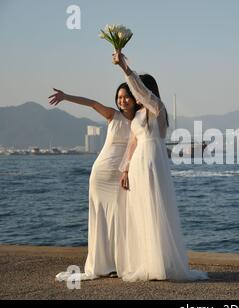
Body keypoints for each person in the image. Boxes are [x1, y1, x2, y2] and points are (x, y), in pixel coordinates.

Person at [113, 51, 208, 281]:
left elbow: (142, 94)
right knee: (142, 211)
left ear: (147, 90)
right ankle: (147, 262)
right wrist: (124, 169)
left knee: (156, 209)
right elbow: (133, 142)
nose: (135, 95)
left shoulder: (157, 108)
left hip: (153, 162)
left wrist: (125, 69)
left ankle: (160, 265)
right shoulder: (138, 116)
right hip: (138, 163)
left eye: (139, 90)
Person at [49, 84, 137, 280]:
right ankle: (102, 265)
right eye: (119, 97)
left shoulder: (140, 121)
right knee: (101, 220)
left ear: (135, 98)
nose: (122, 101)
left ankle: (117, 264)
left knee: (120, 219)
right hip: (101, 173)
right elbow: (91, 103)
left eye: (126, 97)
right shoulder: (113, 116)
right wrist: (65, 96)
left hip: (121, 175)